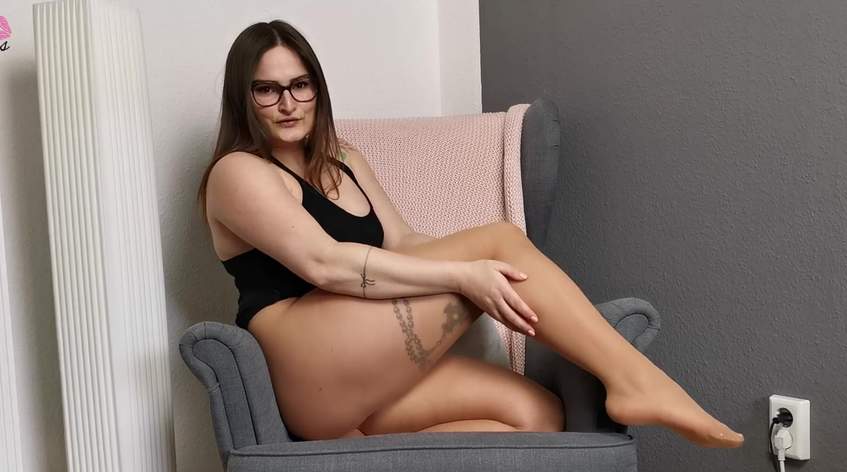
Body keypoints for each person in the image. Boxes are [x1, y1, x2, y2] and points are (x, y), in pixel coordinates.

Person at [196, 19, 744, 448]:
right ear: (243, 97)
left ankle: (364, 459)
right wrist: (465, 274)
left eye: (300, 85)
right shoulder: (238, 172)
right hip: (306, 365)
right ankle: (635, 380)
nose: (288, 104)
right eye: (267, 90)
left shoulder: (345, 159)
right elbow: (325, 264)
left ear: (318, 88)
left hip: (367, 366)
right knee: (497, 242)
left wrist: (474, 269)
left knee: (538, 414)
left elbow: (405, 244)